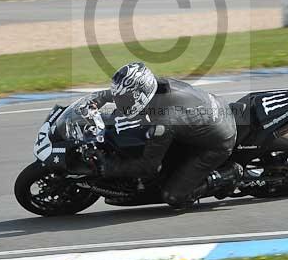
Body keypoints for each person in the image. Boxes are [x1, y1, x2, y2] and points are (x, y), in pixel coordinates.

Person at [83, 62, 242, 209]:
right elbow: (125, 93)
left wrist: (108, 167)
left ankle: (228, 175)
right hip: (209, 113)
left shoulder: (164, 122)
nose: (120, 103)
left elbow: (148, 167)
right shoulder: (156, 86)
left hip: (218, 142)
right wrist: (98, 99)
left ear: (140, 96)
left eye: (124, 99)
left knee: (174, 196)